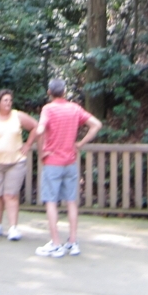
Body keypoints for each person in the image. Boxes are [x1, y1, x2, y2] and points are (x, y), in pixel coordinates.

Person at [33, 78, 102, 257]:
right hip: (70, 162)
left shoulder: (48, 109)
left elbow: (40, 130)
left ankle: (55, 243)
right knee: (71, 202)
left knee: (51, 202)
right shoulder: (74, 108)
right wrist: (80, 143)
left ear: (49, 92)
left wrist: (35, 146)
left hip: (52, 163)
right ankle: (72, 242)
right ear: (64, 92)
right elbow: (96, 125)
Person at [0, 90, 37, 241]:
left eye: (10, 100)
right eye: (5, 100)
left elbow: (35, 127)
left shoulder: (18, 116)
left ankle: (13, 228)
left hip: (15, 162)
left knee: (11, 195)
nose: (8, 103)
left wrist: (28, 145)